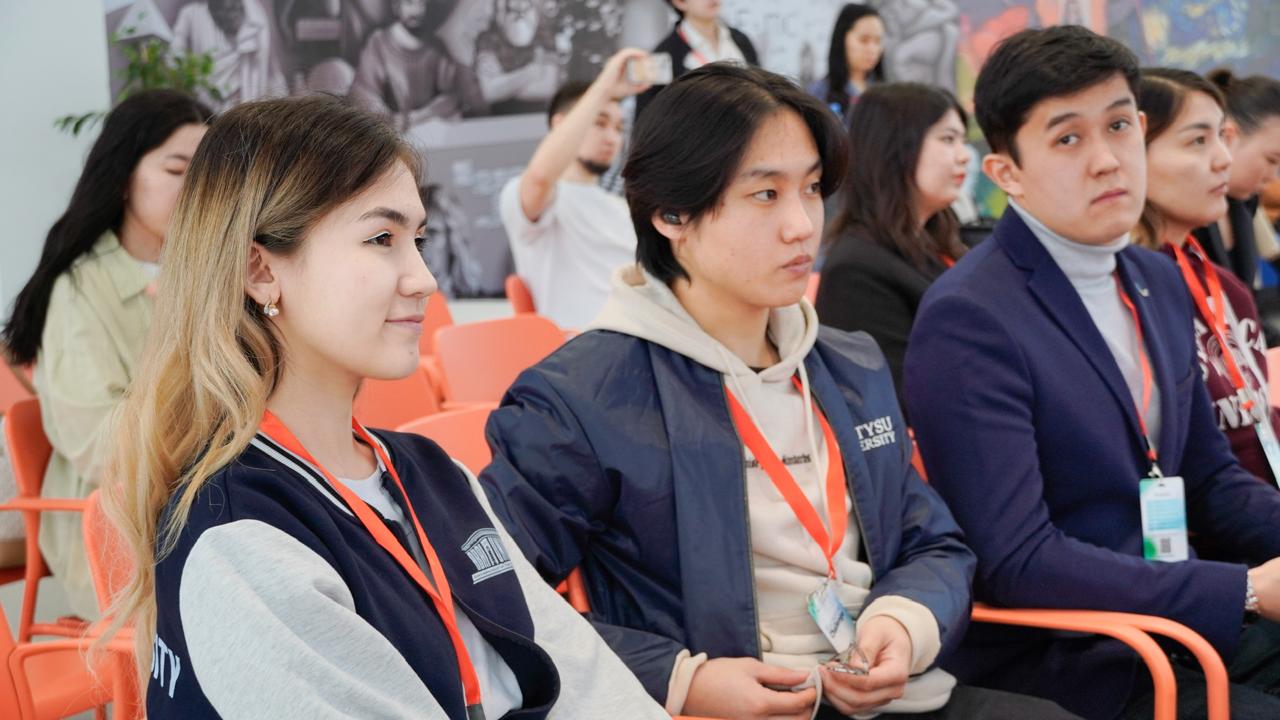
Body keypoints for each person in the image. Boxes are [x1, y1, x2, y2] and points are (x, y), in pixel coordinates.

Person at [482, 63, 1077, 720]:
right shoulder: (581, 397)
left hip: (894, 695)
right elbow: (493, 593)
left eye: (813, 188)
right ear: (671, 214)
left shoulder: (848, 366)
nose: (802, 225)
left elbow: (933, 543)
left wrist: (904, 622)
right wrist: (680, 680)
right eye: (766, 194)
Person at [97, 94, 668, 720]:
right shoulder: (241, 537)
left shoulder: (432, 473)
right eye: (381, 238)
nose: (424, 278)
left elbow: (579, 671)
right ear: (260, 271)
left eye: (417, 239)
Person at [903, 26, 1280, 720]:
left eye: (1119, 126)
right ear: (1006, 173)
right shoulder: (969, 317)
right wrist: (1246, 592)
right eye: (1069, 138)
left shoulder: (1154, 278)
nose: (1107, 160)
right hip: (1077, 657)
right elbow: (1019, 559)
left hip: (1180, 625)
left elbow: (1211, 480)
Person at [0, 90, 210, 619]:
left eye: (206, 173)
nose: (196, 189)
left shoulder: (204, 275)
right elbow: (101, 446)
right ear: (122, 176)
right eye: (177, 170)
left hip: (203, 497)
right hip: (117, 526)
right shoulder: (78, 290)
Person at [1133, 67, 1280, 487]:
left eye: (1221, 137)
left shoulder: (1224, 286)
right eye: (1198, 140)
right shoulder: (1119, 293)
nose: (1223, 159)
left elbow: (1254, 421)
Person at [816, 83, 970, 400]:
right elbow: (895, 398)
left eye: (963, 141)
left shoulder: (939, 239)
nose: (964, 156)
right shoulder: (856, 271)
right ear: (895, 147)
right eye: (948, 139)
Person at [499, 49, 649, 329]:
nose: (612, 138)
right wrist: (605, 85)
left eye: (619, 128)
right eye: (599, 123)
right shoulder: (530, 195)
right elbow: (540, 178)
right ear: (561, 124)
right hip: (584, 344)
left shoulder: (624, 209)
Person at [1190, 70, 1280, 288]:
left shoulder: (1245, 203)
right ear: (1229, 136)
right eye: (1272, 160)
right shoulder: (1186, 212)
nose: (1273, 177)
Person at [348, 0, 488, 128]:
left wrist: (418, 117)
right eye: (409, 3)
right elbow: (364, 94)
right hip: (388, 136)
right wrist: (390, 119)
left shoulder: (435, 47)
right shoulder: (378, 44)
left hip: (427, 134)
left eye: (421, 3)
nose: (417, 11)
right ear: (396, 6)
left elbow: (452, 95)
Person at [634, 0, 758, 119]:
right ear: (679, 2)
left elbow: (759, 86)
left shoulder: (740, 40)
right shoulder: (662, 55)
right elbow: (647, 115)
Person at [171, 0, 286, 111]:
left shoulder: (254, 18)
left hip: (249, 111)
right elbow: (174, 57)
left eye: (234, 9)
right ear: (213, 9)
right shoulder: (192, 14)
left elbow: (272, 71)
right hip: (208, 106)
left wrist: (283, 107)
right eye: (223, 10)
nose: (231, 15)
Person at [474, 0, 561, 115]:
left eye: (526, 9)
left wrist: (504, 85)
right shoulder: (487, 39)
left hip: (538, 115)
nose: (520, 16)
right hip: (497, 117)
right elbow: (490, 93)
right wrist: (531, 72)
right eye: (512, 10)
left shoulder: (545, 37)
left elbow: (547, 89)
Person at [808, 4, 886, 123]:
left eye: (877, 41)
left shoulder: (886, 92)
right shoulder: (819, 93)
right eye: (864, 40)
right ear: (842, 39)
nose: (872, 49)